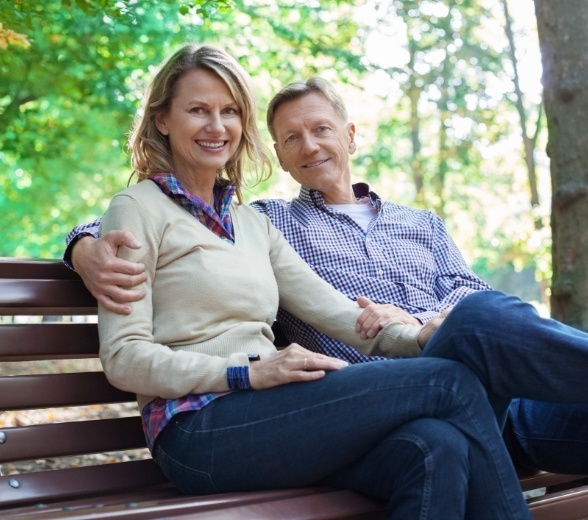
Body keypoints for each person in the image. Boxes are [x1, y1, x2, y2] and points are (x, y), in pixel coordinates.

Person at [87, 42, 533, 519]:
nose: (217, 127)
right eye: (198, 110)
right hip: (198, 429)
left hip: (275, 417)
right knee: (448, 383)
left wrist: (423, 335)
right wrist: (245, 371)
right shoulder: (137, 208)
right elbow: (124, 358)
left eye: (230, 111)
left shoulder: (252, 224)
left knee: (434, 447)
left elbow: (341, 315)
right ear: (162, 120)